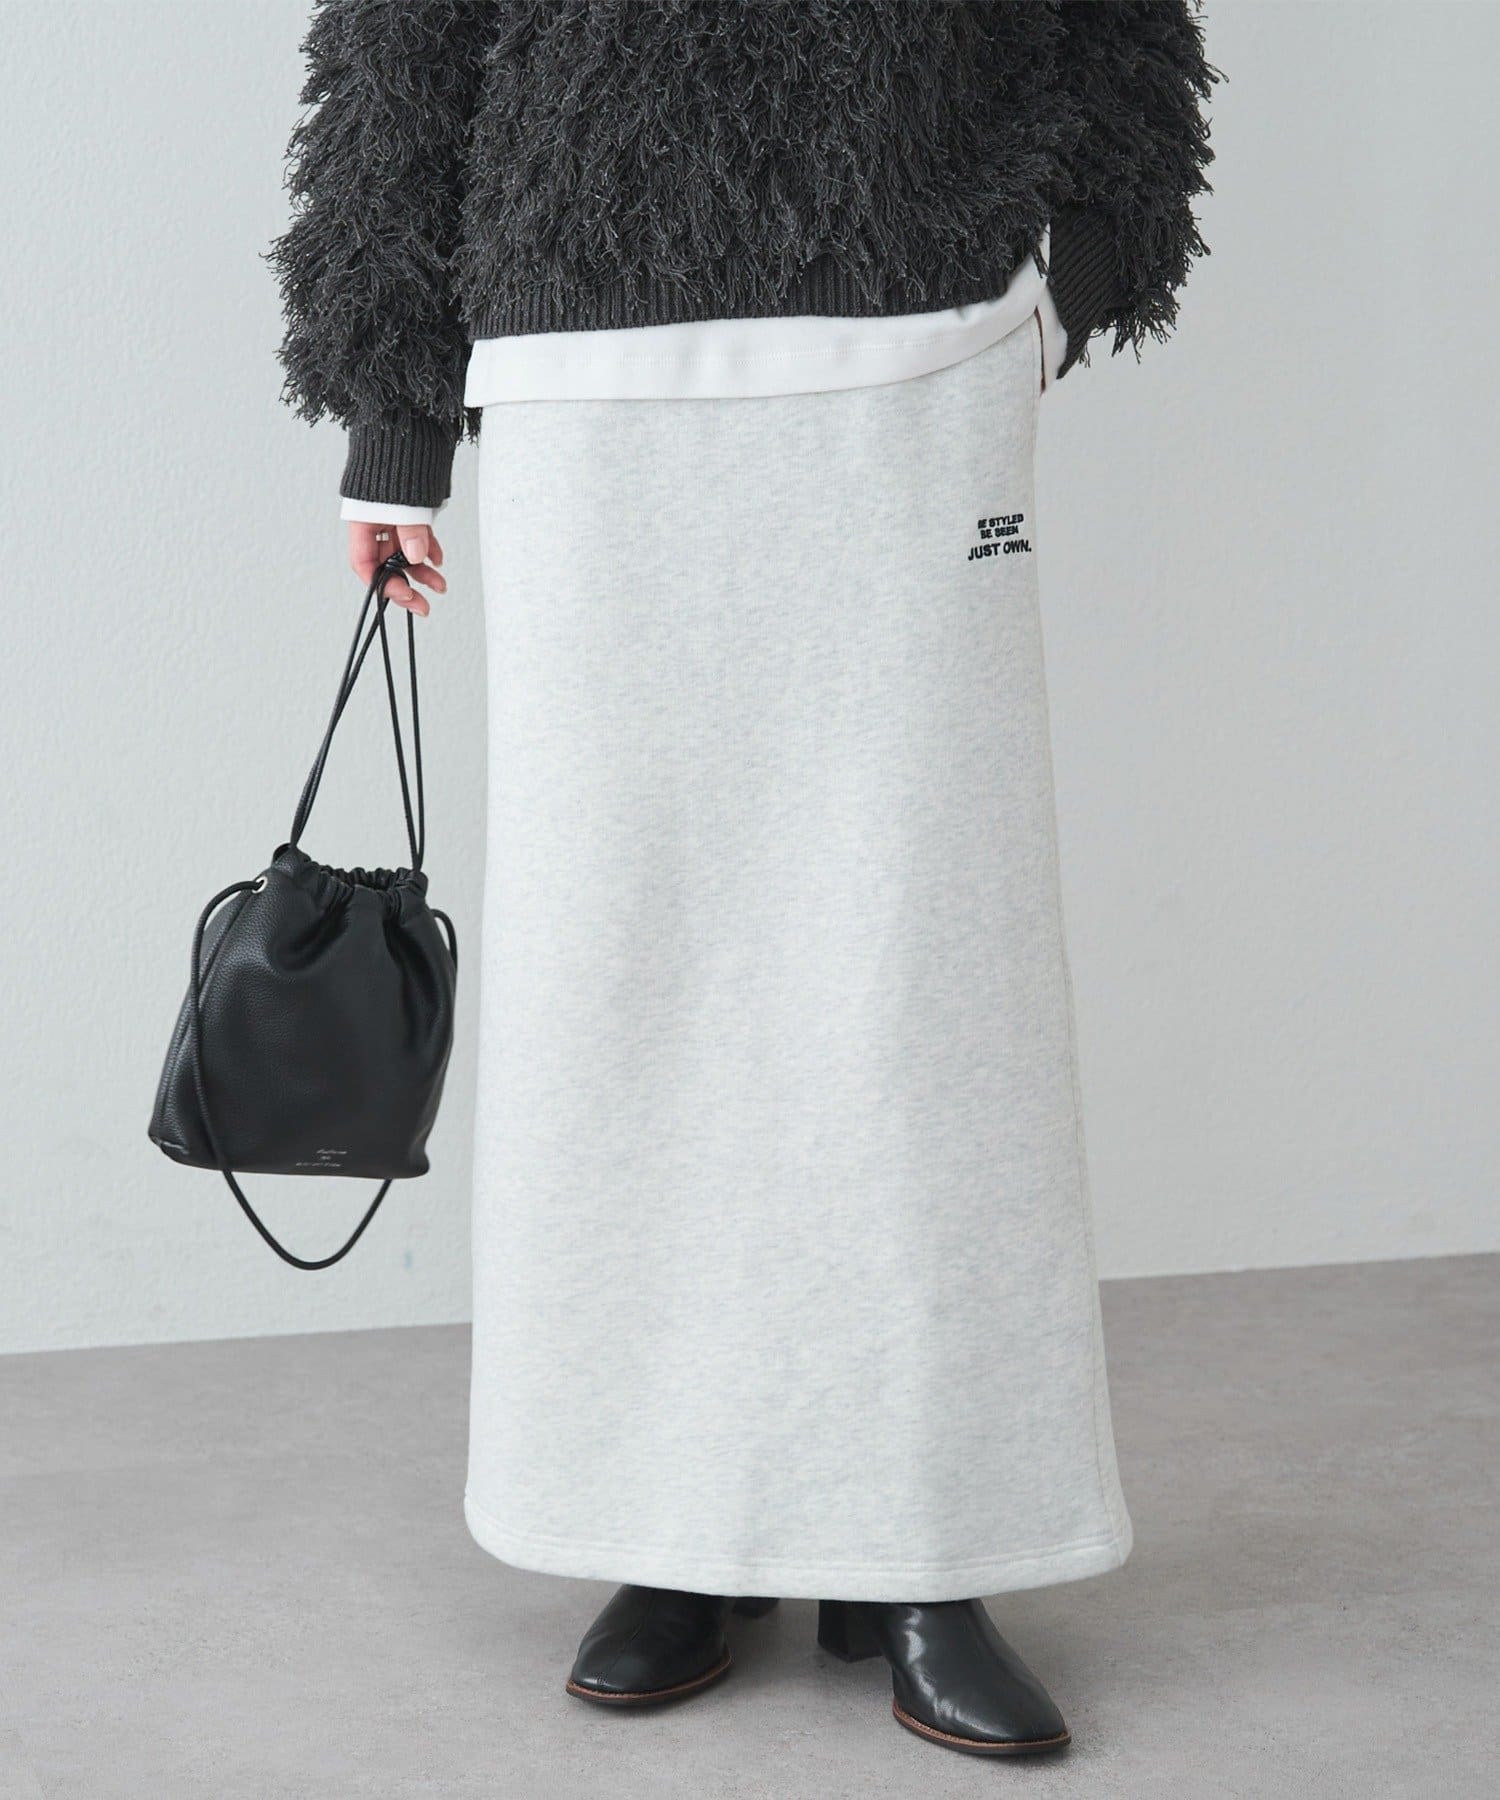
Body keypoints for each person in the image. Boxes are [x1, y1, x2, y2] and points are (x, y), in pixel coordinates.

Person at [272, 0, 1214, 1758]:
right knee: (627, 973)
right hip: (586, 392)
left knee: (925, 980)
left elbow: (1118, 33)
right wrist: (392, 422)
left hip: (914, 359)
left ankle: (929, 1542)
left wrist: (1071, 277)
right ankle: (673, 1527)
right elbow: (404, 54)